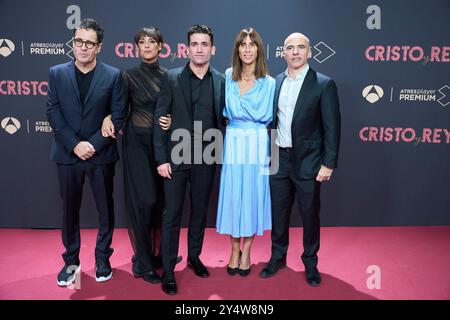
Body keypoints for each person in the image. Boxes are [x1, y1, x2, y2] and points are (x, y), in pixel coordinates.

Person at [46, 18, 125, 286]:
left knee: (105, 209)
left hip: (100, 154)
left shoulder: (113, 75)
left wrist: (92, 144)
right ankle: (71, 263)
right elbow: (53, 112)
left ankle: (103, 258)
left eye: (89, 43)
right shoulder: (56, 72)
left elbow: (118, 113)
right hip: (67, 154)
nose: (82, 47)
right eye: (78, 41)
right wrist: (75, 144)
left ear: (99, 47)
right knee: (69, 210)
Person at [259, 32, 341, 287]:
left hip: (309, 161)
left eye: (300, 48)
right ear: (283, 52)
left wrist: (328, 163)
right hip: (278, 159)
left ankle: (310, 262)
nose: (295, 52)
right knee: (278, 213)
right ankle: (277, 257)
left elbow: (332, 127)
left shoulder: (324, 84)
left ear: (310, 52)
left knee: (309, 215)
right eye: (290, 48)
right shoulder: (276, 82)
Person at [153, 24, 225, 295]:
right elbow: (160, 122)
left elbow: (225, 119)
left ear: (212, 49)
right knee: (171, 214)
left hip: (207, 156)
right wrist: (161, 158)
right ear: (186, 48)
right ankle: (169, 270)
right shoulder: (171, 78)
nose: (199, 48)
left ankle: (194, 257)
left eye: (204, 44)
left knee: (199, 212)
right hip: (176, 156)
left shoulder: (221, 80)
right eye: (194, 43)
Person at [101, 27, 174, 285]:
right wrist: (109, 117)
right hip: (136, 146)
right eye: (141, 42)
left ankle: (158, 254)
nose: (146, 45)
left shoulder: (170, 77)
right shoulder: (128, 76)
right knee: (144, 201)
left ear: (160, 46)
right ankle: (143, 262)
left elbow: (176, 109)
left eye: (151, 41)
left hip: (163, 146)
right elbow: (119, 109)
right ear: (136, 47)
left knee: (162, 203)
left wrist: (171, 121)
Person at [216, 28, 275, 277]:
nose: (247, 49)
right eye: (243, 44)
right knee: (232, 194)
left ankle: (247, 250)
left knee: (252, 194)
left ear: (259, 49)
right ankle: (233, 249)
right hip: (233, 141)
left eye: (252, 44)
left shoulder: (269, 82)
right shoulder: (228, 76)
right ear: (237, 49)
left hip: (257, 141)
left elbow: (271, 118)